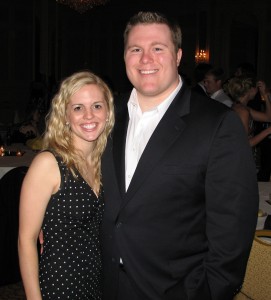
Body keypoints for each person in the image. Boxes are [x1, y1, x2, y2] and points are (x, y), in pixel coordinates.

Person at [100, 11, 259, 300]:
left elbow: (233, 227)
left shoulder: (218, 124)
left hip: (176, 290)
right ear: (124, 56)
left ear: (178, 55)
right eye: (136, 49)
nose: (145, 59)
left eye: (158, 48)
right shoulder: (104, 114)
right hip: (104, 284)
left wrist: (207, 291)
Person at [18, 70, 114, 300]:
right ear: (65, 115)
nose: (89, 115)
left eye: (97, 106)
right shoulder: (48, 164)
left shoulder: (105, 162)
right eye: (78, 107)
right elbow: (26, 240)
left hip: (97, 282)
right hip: (60, 285)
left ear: (108, 112)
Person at [226, 76, 271, 147]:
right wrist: (268, 131)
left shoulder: (242, 107)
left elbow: (268, 117)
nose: (257, 90)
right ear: (250, 90)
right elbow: (244, 144)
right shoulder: (242, 111)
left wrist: (265, 95)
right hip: (241, 155)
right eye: (256, 87)